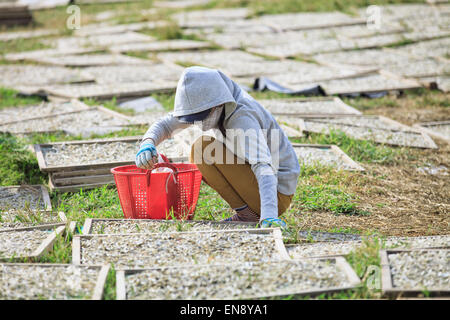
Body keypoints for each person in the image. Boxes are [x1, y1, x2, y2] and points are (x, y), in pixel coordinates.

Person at [136, 66, 300, 228]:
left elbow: (263, 166)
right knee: (200, 151)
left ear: (218, 105)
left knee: (203, 148)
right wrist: (148, 143)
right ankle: (247, 215)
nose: (197, 123)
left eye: (200, 117)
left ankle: (252, 215)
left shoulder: (242, 119)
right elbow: (166, 125)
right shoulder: (216, 100)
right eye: (192, 118)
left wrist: (269, 216)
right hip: (259, 181)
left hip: (276, 192)